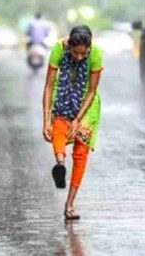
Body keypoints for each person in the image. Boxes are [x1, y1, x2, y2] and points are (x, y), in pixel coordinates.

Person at [42, 25, 103, 220]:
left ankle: (69, 204)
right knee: (58, 128)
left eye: (82, 54)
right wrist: (45, 120)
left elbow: (92, 91)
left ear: (89, 48)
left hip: (87, 103)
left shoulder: (96, 55)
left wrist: (78, 119)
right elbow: (49, 85)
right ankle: (60, 165)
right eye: (74, 53)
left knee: (81, 152)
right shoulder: (58, 50)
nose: (78, 57)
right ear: (69, 46)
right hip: (63, 95)